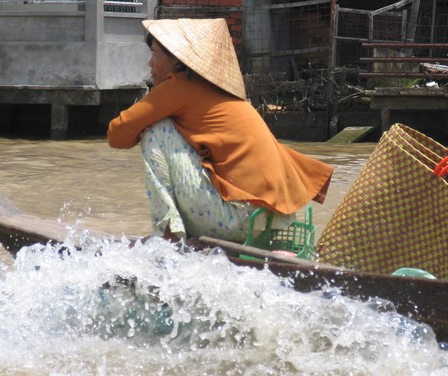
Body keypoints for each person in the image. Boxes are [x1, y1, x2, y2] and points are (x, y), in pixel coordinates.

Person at [107, 18, 334, 243]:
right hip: (273, 221)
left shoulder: (180, 86)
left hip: (240, 220)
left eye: (155, 54)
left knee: (156, 129)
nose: (150, 64)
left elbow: (117, 134)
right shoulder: (217, 91)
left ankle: (168, 232)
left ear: (177, 60)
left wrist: (150, 118)